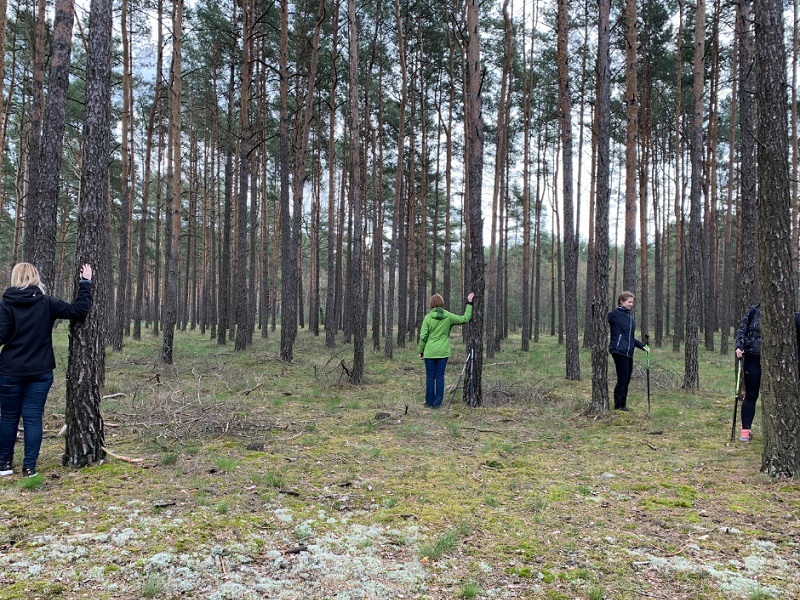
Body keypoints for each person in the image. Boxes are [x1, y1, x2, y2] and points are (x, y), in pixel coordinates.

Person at [0, 263, 93, 478]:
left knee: (8, 417)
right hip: (40, 371)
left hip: (10, 370)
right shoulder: (46, 302)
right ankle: (29, 468)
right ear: (35, 277)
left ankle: (4, 464)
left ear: (15, 278)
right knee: (32, 417)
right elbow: (78, 310)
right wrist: (85, 283)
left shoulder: (6, 304)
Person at [418, 292, 475, 409]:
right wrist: (469, 303)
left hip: (429, 352)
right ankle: (437, 404)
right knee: (439, 377)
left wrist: (421, 351)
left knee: (430, 377)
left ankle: (429, 403)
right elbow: (465, 318)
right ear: (442, 303)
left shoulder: (428, 318)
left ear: (431, 304)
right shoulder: (448, 316)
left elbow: (423, 336)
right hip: (443, 352)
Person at [607, 291, 648, 411]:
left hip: (628, 352)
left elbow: (630, 337)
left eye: (632, 302)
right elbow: (598, 317)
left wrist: (642, 346)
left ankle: (623, 405)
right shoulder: (614, 314)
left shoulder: (630, 317)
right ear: (621, 301)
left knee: (627, 380)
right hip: (619, 350)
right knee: (622, 379)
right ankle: (618, 406)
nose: (631, 304)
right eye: (629, 302)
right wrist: (594, 306)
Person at [735, 304, 760, 443]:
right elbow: (741, 331)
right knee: (751, 394)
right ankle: (745, 430)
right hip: (752, 358)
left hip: (778, 361)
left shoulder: (787, 310)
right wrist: (739, 346)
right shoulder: (753, 311)